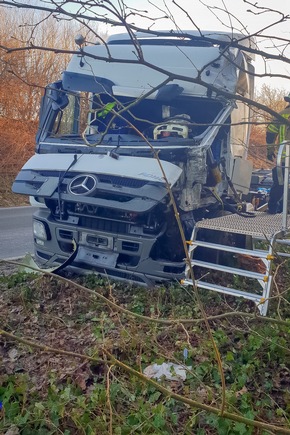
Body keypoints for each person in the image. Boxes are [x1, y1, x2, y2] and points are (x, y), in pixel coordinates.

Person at [266, 93, 290, 214]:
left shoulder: (281, 115)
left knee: (279, 184)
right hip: (283, 159)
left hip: (283, 159)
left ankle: (273, 208)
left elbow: (270, 133)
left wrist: (270, 151)